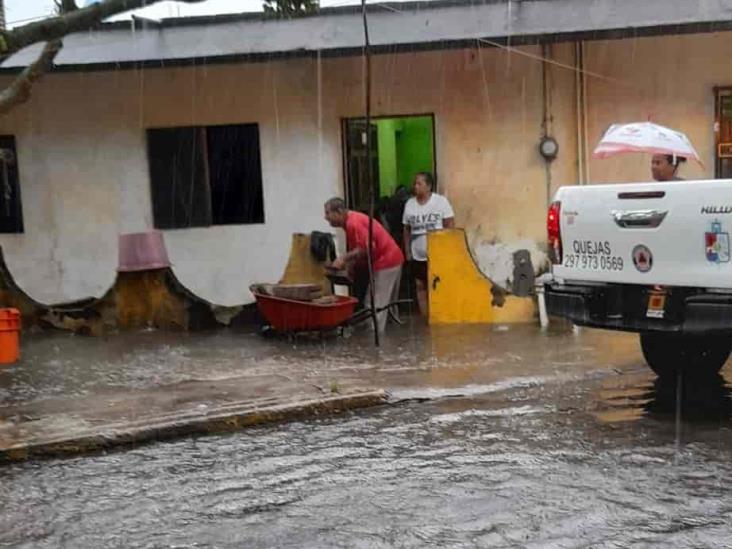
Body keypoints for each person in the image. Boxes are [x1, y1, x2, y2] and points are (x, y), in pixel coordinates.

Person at [324, 197, 404, 333]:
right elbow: (359, 247)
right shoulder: (350, 222)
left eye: (327, 213)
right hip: (393, 258)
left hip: (386, 261)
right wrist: (350, 266)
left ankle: (375, 343)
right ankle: (394, 342)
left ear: (339, 211)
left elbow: (368, 248)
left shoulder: (353, 223)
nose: (325, 217)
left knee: (374, 305)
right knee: (388, 307)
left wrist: (344, 258)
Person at [402, 172, 455, 316]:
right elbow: (406, 229)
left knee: (437, 284)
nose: (415, 186)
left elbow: (449, 224)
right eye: (415, 183)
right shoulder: (410, 204)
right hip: (417, 253)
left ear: (429, 186)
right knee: (420, 285)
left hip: (438, 253)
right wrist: (407, 251)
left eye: (419, 183)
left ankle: (440, 314)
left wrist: (447, 248)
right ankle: (425, 317)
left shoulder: (440, 202)